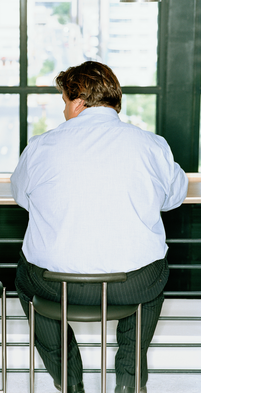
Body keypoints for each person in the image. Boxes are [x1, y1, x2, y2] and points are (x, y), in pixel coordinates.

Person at [11, 61, 188, 393]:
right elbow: (174, 198)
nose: (64, 109)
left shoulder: (40, 146)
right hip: (131, 284)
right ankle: (128, 383)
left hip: (56, 286)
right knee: (151, 282)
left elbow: (23, 197)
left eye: (64, 101)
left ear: (78, 101)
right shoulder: (151, 145)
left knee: (26, 282)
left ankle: (70, 382)